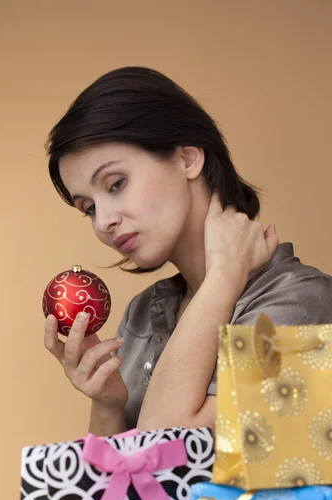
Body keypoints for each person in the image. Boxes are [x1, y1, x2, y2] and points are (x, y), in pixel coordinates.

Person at [43, 66, 332, 437]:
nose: (103, 222)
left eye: (115, 184)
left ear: (188, 158)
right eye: (89, 208)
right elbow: (115, 487)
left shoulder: (302, 302)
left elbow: (167, 452)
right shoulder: (142, 316)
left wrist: (224, 276)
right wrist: (107, 405)